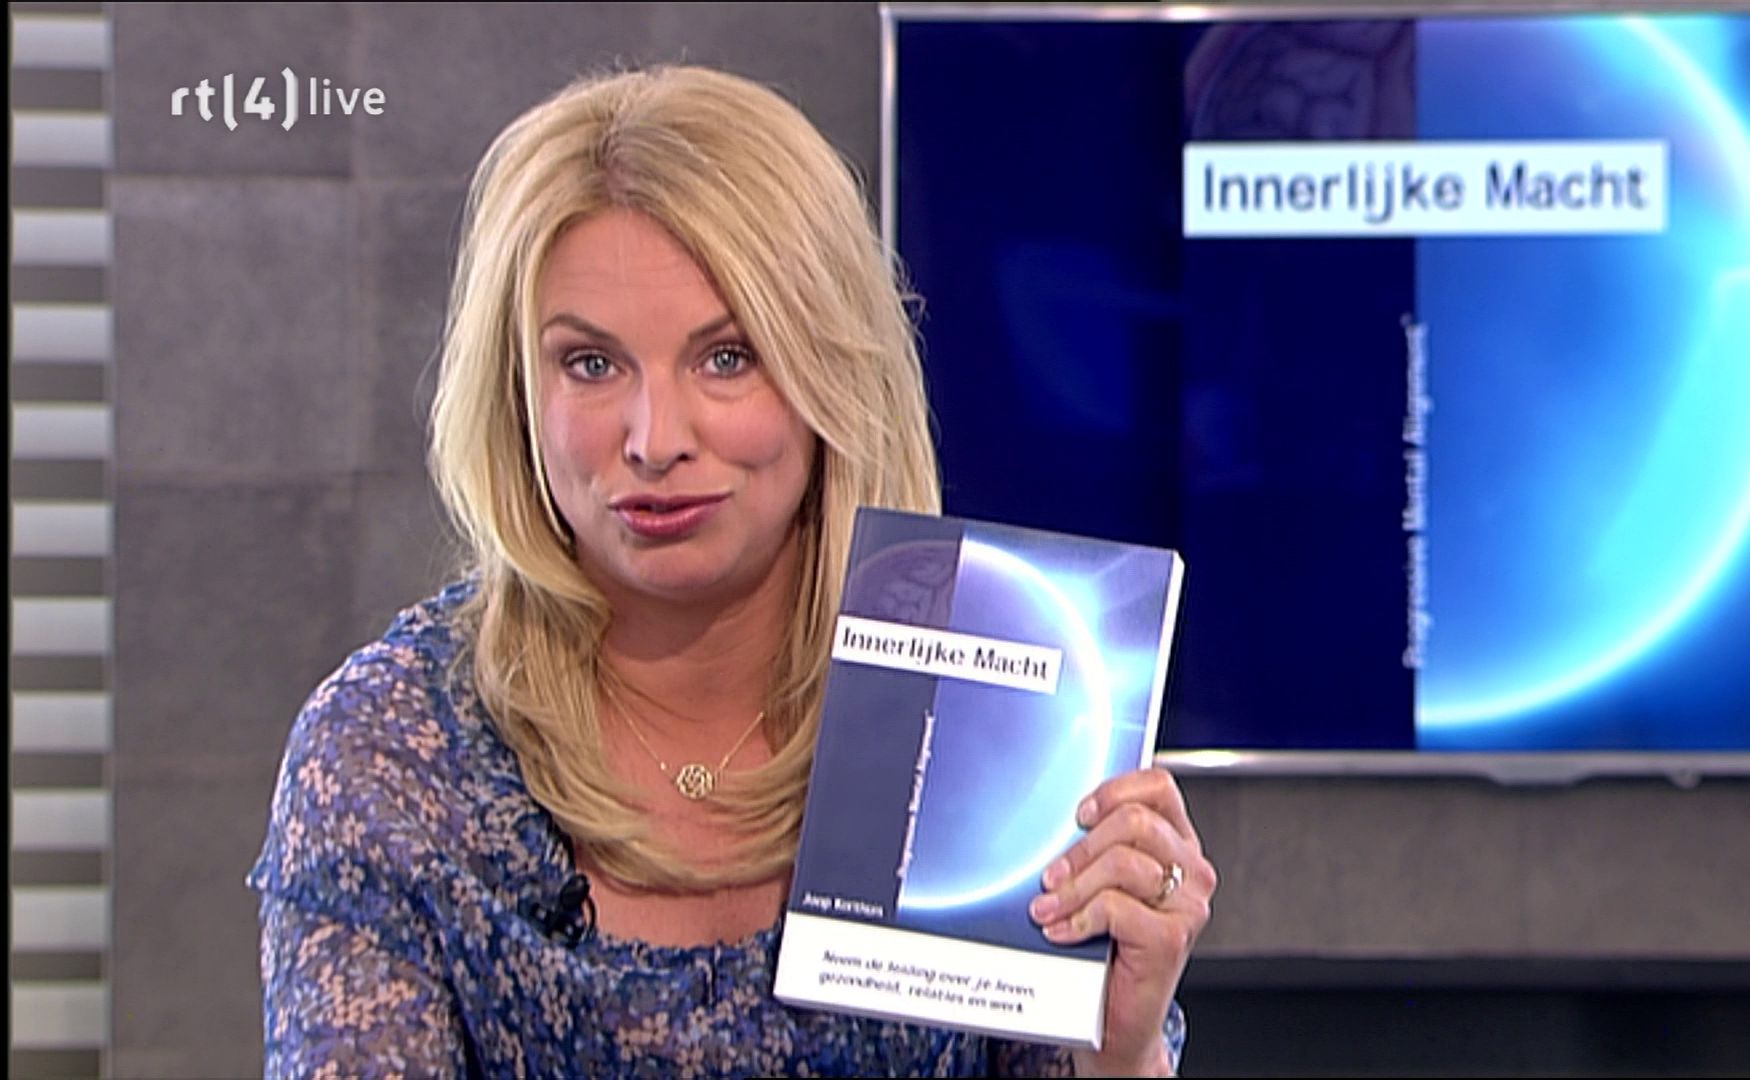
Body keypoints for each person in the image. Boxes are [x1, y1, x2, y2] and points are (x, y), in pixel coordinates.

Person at [247, 63, 1215, 1078]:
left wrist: (1120, 1052)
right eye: (590, 364)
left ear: (831, 374)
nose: (655, 439)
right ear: (516, 391)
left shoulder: (1003, 701)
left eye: (726, 358)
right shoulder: (390, 752)